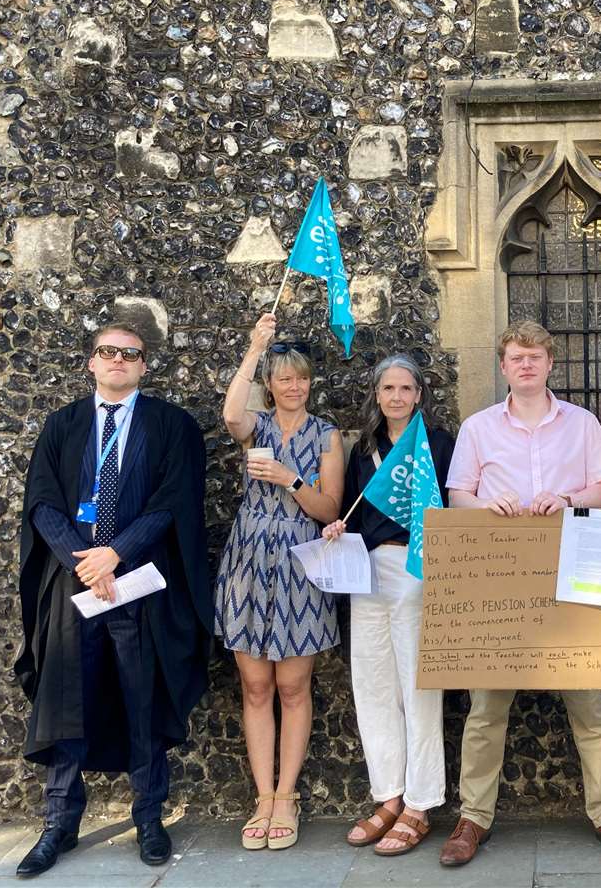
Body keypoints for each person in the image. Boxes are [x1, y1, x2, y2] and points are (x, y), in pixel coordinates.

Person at [438, 320, 601, 869]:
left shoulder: (581, 424)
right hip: (501, 578)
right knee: (486, 708)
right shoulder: (478, 427)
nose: (526, 365)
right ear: (503, 366)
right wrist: (490, 505)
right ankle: (472, 818)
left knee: (590, 702)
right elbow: (457, 493)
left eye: (535, 356)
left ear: (550, 363)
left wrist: (569, 499)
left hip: (572, 571)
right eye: (515, 357)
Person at [15, 320, 210, 878]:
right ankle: (60, 822)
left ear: (145, 365)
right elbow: (45, 502)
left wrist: (115, 553)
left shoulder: (171, 426)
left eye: (130, 353)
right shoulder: (63, 425)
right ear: (91, 363)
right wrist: (84, 559)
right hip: (72, 587)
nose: (118, 360)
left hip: (139, 587)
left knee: (141, 697)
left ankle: (149, 816)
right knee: (63, 698)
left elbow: (171, 501)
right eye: (108, 352)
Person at [214, 313, 345, 851]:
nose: (294, 386)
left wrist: (292, 479)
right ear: (271, 383)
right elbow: (229, 415)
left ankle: (287, 796)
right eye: (284, 378)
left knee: (292, 687)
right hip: (248, 562)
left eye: (302, 378)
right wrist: (254, 349)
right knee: (255, 686)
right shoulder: (257, 426)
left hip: (299, 565)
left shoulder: (326, 434)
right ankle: (262, 796)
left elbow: (328, 507)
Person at [322, 355, 456, 856]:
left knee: (419, 689)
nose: (396, 397)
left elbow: (449, 506)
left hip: (416, 571)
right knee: (373, 686)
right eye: (387, 389)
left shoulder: (438, 445)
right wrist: (339, 528)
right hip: (367, 572)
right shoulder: (364, 450)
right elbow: (354, 511)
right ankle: (389, 796)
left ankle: (422, 803)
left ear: (419, 394)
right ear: (377, 395)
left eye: (405, 388)